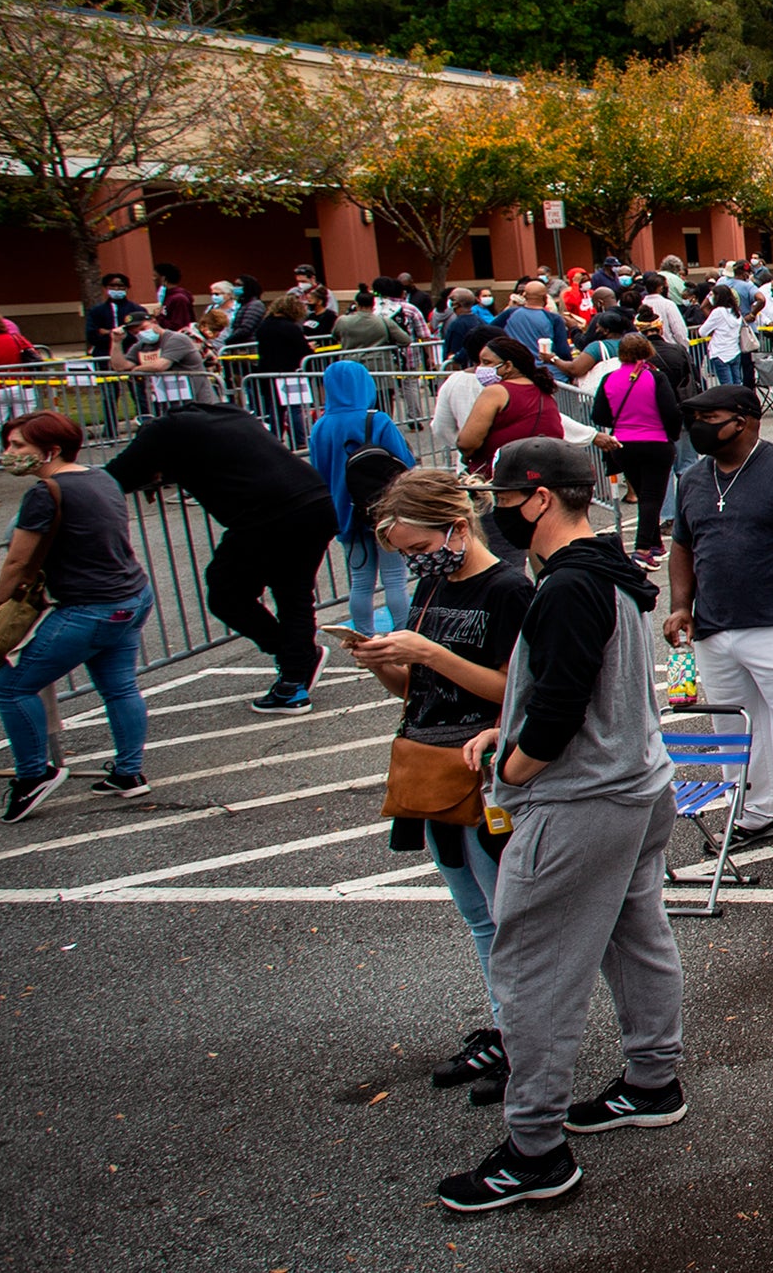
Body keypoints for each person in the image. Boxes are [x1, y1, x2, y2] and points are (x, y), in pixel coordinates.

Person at [435, 440, 686, 1213]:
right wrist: (510, 736)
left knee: (533, 970)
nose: (493, 512)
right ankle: (653, 1078)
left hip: (583, 802)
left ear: (539, 498)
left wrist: (511, 768)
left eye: (501, 497)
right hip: (636, 787)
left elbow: (559, 708)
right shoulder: (607, 571)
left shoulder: (568, 586)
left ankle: (535, 1150)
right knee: (635, 936)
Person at [356, 468, 536, 1105]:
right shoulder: (430, 591)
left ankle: (526, 1044)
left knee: (506, 916)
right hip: (429, 764)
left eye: (419, 549)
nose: (415, 563)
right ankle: (507, 1028)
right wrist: (389, 665)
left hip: (483, 773)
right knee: (478, 917)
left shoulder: (509, 590)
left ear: (457, 527)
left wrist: (431, 655)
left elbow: (516, 693)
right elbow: (416, 692)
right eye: (405, 555)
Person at [663, 385, 773, 861]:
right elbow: (683, 545)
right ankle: (754, 812)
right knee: (735, 730)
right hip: (715, 628)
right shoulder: (694, 479)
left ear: (744, 420)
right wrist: (681, 605)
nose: (698, 425)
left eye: (710, 416)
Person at [105, 397, 336, 716]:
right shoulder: (226, 413)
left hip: (267, 515)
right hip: (314, 500)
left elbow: (112, 478)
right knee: (293, 592)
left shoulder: (161, 432)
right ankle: (294, 679)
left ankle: (295, 660)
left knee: (227, 594)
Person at [0, 412, 155, 818]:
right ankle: (129, 773)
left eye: (18, 447)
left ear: (51, 450)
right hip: (132, 596)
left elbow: (16, 562)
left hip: (93, 607)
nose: (7, 454)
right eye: (8, 445)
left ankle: (33, 776)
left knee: (10, 688)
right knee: (118, 686)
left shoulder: (45, 493)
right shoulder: (100, 477)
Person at [308, 358, 418, 636]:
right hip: (385, 508)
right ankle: (404, 634)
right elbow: (403, 462)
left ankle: (364, 638)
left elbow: (317, 470)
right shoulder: (376, 420)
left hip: (344, 510)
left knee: (360, 580)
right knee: (395, 578)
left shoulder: (320, 427)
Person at [588, 335, 684, 567]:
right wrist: (672, 436)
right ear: (647, 351)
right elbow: (670, 411)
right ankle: (642, 549)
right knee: (653, 497)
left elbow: (598, 415)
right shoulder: (655, 377)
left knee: (643, 495)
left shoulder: (609, 378)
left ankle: (655, 544)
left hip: (622, 444)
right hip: (655, 441)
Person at [457, 335, 567, 475]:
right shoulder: (542, 390)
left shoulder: (496, 392)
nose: (480, 368)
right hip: (544, 473)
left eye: (486, 362)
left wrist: (467, 456)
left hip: (501, 476)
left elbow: (467, 443)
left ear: (508, 366)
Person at [700, 285, 746, 386]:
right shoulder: (736, 311)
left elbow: (702, 332)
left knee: (727, 386)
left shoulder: (718, 312)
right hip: (734, 350)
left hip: (720, 352)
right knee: (737, 383)